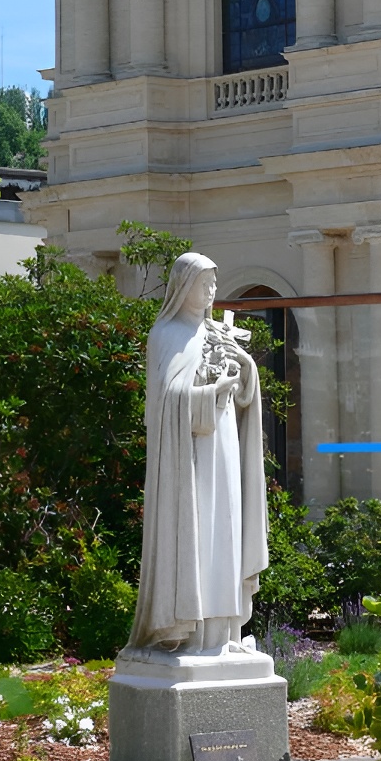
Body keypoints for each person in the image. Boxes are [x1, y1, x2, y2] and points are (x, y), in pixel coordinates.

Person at [127, 252, 269, 654]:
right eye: (204, 283)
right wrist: (210, 392)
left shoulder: (216, 333)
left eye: (213, 283)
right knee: (200, 529)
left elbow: (244, 392)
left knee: (226, 528)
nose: (211, 291)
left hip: (224, 443)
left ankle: (226, 635)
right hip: (188, 456)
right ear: (184, 286)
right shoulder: (167, 334)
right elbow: (163, 402)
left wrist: (244, 370)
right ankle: (191, 634)